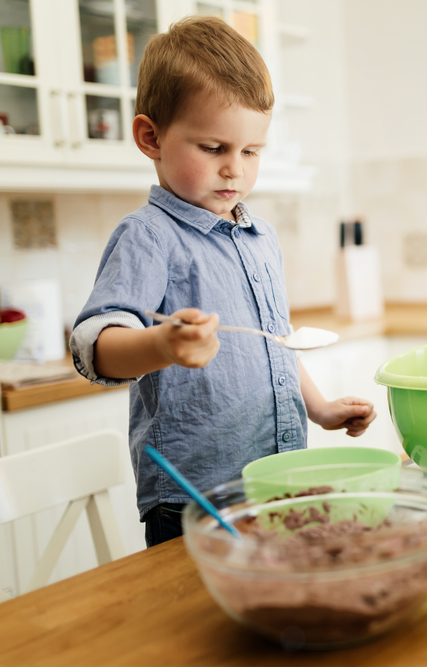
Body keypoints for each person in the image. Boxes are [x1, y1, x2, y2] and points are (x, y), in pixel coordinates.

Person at [69, 17, 376, 548]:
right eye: (214, 149)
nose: (235, 170)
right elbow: (96, 346)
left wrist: (320, 408)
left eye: (251, 151)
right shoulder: (148, 237)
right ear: (151, 137)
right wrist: (160, 344)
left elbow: (274, 341)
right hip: (195, 498)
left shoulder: (261, 237)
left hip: (279, 485)